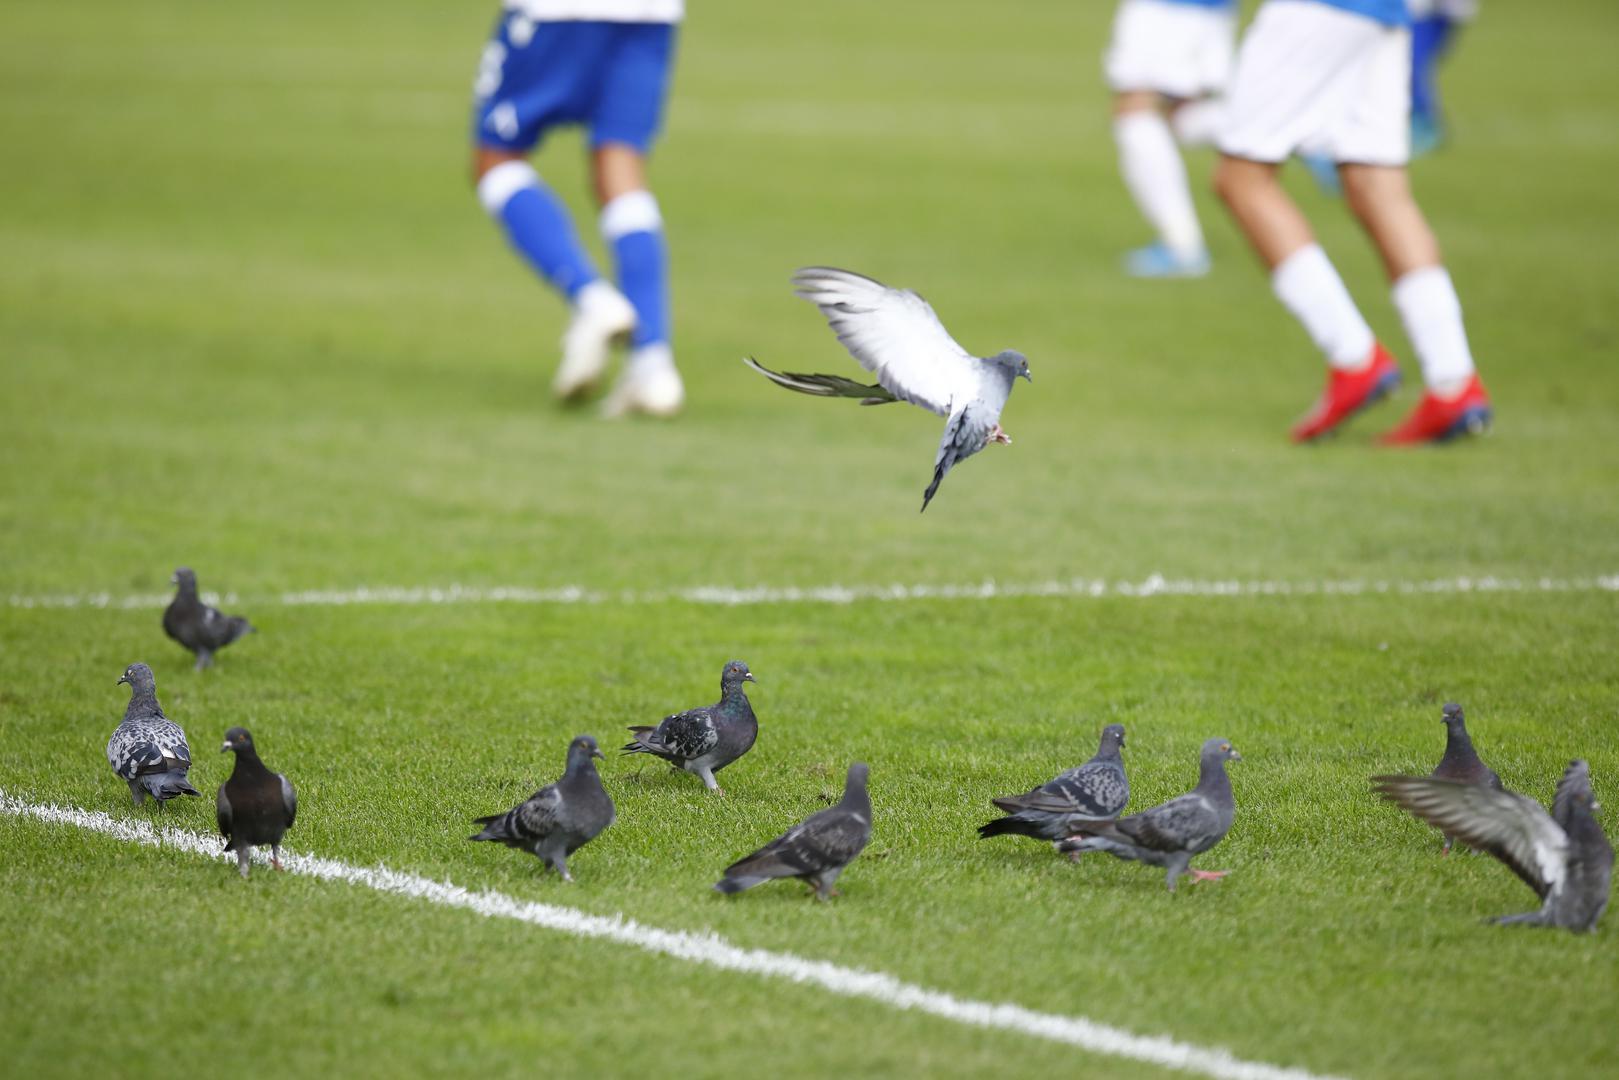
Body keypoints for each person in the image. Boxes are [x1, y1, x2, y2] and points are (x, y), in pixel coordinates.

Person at [1212, 0, 1492, 444]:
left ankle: (1353, 358)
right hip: (1388, 11)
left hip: (1318, 10)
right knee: (1375, 185)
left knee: (1242, 179)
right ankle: (1453, 382)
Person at [471, 0, 684, 417]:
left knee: (495, 160)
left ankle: (593, 299)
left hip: (557, 13)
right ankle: (653, 364)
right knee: (620, 165)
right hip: (650, 14)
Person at [1104, 0, 1238, 278]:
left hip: (1169, 9)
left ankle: (1182, 248)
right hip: (1210, 10)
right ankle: (1295, 131)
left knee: (1136, 110)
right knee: (1179, 113)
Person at [1408, 0, 1478, 157]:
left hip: (1434, 13)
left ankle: (1426, 126)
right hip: (1417, 12)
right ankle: (1423, 124)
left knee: (1412, 66)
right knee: (1409, 67)